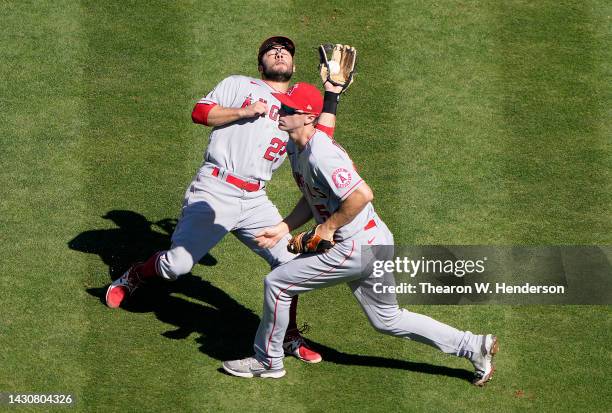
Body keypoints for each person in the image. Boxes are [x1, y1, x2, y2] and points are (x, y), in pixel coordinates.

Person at [222, 83, 499, 386]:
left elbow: (362, 195)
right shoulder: (295, 146)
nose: (282, 111)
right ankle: (474, 345)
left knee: (277, 284)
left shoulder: (320, 155)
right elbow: (313, 193)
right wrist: (284, 226)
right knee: (387, 318)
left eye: (290, 109)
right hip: (373, 241)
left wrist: (327, 228)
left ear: (308, 116)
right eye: (283, 106)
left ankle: (268, 361)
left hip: (355, 247)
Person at [105, 36, 345, 364]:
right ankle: (137, 274)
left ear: (293, 65)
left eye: (285, 51)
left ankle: (287, 335)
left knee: (291, 265)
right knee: (177, 266)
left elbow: (323, 141)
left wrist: (331, 94)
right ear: (261, 65)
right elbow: (200, 112)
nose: (279, 53)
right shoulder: (238, 84)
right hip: (214, 188)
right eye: (271, 51)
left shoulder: (296, 110)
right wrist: (244, 111)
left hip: (255, 198)